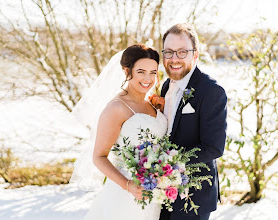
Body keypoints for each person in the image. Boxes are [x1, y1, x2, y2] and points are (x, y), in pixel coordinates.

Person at [70, 44, 167, 220]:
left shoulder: (153, 103)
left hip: (154, 194)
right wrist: (128, 185)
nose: (148, 78)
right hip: (125, 196)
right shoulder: (116, 108)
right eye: (141, 72)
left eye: (153, 72)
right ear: (126, 71)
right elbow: (99, 157)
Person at [158, 23, 227, 220]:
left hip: (193, 197)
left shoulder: (212, 91)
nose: (174, 59)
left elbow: (214, 147)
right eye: (169, 52)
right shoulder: (165, 87)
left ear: (195, 54)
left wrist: (167, 164)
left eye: (182, 52)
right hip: (161, 192)